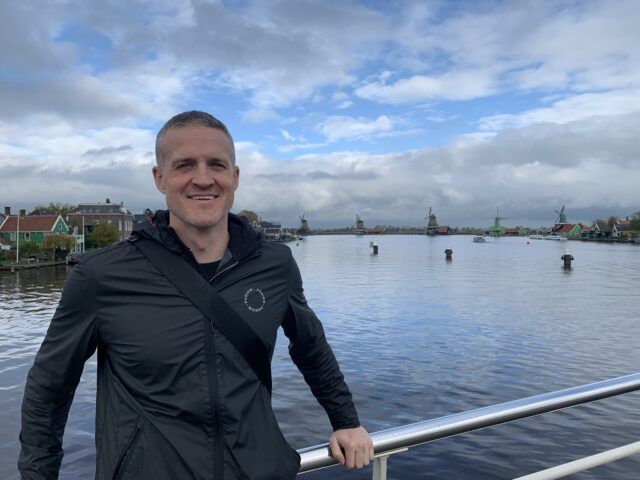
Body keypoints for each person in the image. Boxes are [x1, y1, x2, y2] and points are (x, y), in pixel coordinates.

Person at [18, 111, 373, 479]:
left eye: (216, 164)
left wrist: (346, 420)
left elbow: (310, 346)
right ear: (160, 178)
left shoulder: (275, 264)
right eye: (185, 164)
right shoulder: (102, 275)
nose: (203, 179)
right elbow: (50, 386)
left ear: (235, 177)